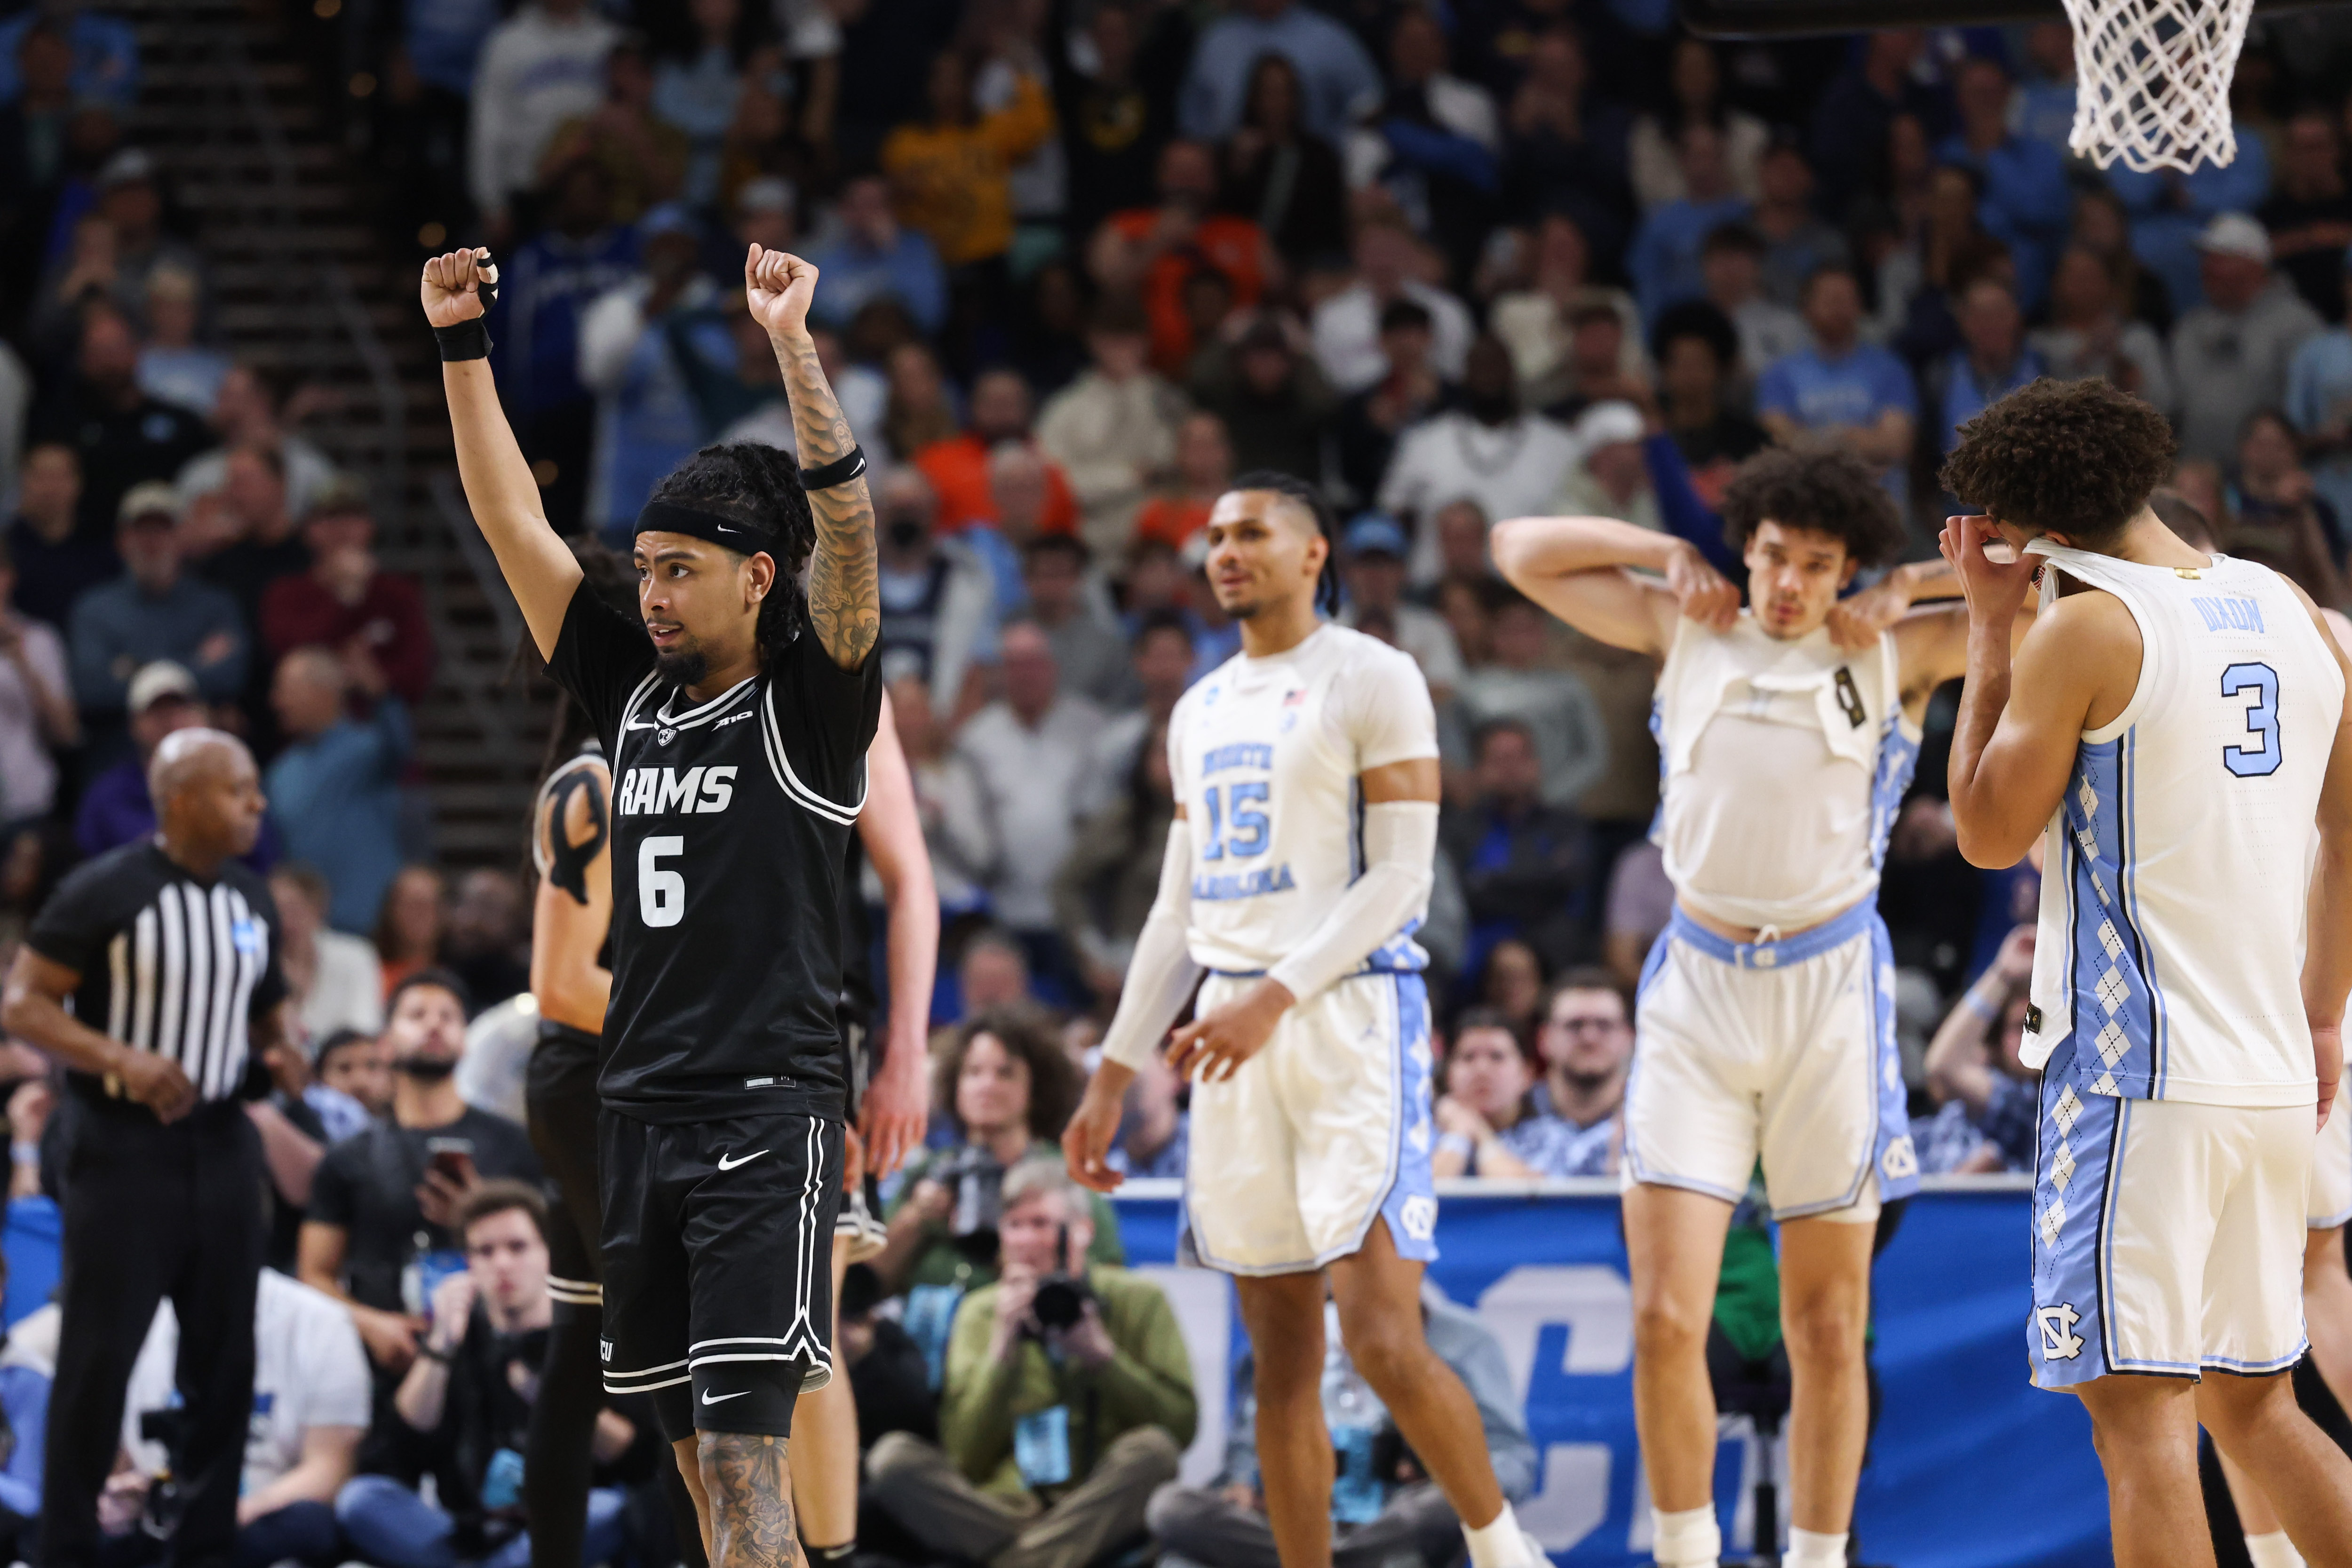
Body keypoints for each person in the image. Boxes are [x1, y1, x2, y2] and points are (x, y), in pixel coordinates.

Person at [421, 239, 882, 1557]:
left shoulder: (817, 701)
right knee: (703, 1482)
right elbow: (512, 523)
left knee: (745, 1475)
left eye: (679, 568)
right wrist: (461, 349)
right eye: (644, 567)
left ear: (756, 574)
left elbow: (846, 522)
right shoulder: (630, 684)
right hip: (636, 1112)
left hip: (761, 1112)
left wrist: (793, 346)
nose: (652, 593)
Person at [1490, 440, 2011, 1568]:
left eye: (1815, 565)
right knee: (1663, 1316)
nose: (1785, 583)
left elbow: (2032, 571)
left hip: (1830, 998)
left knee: (1826, 1326)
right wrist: (1660, 549)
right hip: (1697, 992)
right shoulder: (1687, 624)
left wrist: (1907, 583)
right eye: (1772, 555)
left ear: (1843, 572)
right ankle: (1688, 1557)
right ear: (1747, 548)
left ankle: (1818, 1562)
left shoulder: (1894, 647)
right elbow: (1514, 549)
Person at [1064, 471, 1551, 1568]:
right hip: (1231, 1038)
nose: (1225, 551)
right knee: (1275, 1368)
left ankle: (1501, 1550)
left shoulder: (1374, 676)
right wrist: (1109, 1070)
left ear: (1313, 553)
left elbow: (1401, 880)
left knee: (1381, 1340)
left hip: (1349, 1020)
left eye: (1251, 533)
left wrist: (1273, 998)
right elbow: (1173, 913)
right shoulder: (1197, 708)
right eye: (1214, 536)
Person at [1938, 375, 2352, 1567]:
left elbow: (1982, 830)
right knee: (2254, 1405)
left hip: (2136, 1084)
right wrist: (2322, 1017)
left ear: (2032, 535)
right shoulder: (2291, 608)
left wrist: (1986, 623)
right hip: (2274, 1073)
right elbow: (2348, 830)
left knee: (2138, 1420)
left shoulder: (2083, 630)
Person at [0, 728, 291, 1568]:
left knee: (226, 1363)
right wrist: (117, 1054)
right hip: (120, 1145)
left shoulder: (251, 897)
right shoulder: (103, 889)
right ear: (184, 798)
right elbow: (23, 1005)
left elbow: (268, 1007)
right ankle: (67, 1550)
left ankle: (202, 1550)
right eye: (240, 789)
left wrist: (288, 1044)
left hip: (226, 1142)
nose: (257, 804)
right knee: (99, 1360)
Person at [865, 1157, 1194, 1568]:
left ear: (1083, 1231)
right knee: (892, 1458)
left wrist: (1103, 1358)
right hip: (1001, 1509)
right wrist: (1002, 1351)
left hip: (1097, 1500)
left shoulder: (1137, 1298)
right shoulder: (981, 1312)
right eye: (1014, 1225)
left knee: (1154, 1451)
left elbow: (1180, 1428)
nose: (1025, 1239)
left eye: (1040, 1224)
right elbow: (964, 1455)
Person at [335, 1181, 640, 1568]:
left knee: (608, 1510)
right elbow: (400, 1454)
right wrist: (440, 1345)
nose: (501, 1264)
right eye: (485, 1251)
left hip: (563, 1526)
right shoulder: (458, 1337)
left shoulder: (591, 1332)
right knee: (361, 1499)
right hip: (469, 1534)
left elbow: (637, 1459)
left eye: (517, 1247)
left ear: (550, 1252)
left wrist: (554, 1397)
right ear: (468, 1262)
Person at [1149, 1275, 1534, 1568]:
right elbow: (1249, 1448)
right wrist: (1243, 1481)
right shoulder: (1285, 1340)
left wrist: (1445, 1466)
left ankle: (1325, 1559)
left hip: (1396, 1515)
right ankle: (1331, 1558)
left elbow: (1513, 1460)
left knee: (1446, 1502)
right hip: (1291, 1516)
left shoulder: (1463, 1341)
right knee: (1171, 1507)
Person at [297, 967, 541, 1374]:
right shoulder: (350, 1156)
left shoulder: (515, 1146)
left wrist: (474, 1218)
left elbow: (550, 1257)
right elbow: (314, 1273)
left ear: (466, 1040)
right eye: (417, 1015)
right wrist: (371, 1325)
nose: (434, 1024)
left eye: (448, 1016)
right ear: (387, 1043)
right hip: (387, 1355)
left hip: (494, 1358)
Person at [117, 1267, 369, 1568]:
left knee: (310, 1525)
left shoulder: (320, 1324)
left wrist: (238, 1513)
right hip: (163, 1520)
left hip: (265, 1518)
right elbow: (121, 1462)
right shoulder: (133, 1321)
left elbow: (330, 1471)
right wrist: (122, 1496)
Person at [877, 1013, 1122, 1304]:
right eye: (973, 1072)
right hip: (925, 1341)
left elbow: (1109, 1285)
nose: (987, 1085)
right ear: (955, 1084)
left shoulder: (1068, 1176)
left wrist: (1010, 1247)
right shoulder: (931, 1172)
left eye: (1006, 1073)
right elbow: (863, 1289)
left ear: (1037, 1088)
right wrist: (915, 1218)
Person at [956, 620, 1107, 987]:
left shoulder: (1092, 727)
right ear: (1001, 672)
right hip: (1005, 909)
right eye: (1015, 663)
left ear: (1053, 666)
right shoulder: (976, 738)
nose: (1026, 674)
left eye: (1035, 662)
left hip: (1077, 911)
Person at [68, 484, 246, 729]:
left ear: (182, 536)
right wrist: (195, 663)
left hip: (197, 741)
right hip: (118, 748)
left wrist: (133, 668)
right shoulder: (95, 609)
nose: (151, 542)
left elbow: (231, 678)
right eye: (141, 531)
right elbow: (92, 689)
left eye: (163, 530)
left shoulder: (215, 604)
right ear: (122, 540)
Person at [265, 647, 411, 937]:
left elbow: (402, 747)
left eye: (287, 690)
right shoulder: (280, 772)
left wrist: (380, 696)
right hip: (307, 930)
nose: (277, 701)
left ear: (323, 692)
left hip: (368, 925)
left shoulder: (368, 750)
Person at [2169, 213, 2325, 466]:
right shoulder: (2189, 327)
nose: (2207, 268)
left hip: (2268, 479)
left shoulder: (2298, 325)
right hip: (2200, 477)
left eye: (2219, 259)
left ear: (2253, 264)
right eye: (2206, 259)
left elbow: (2308, 412)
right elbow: (2171, 405)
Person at [1912, 926, 2039, 1175]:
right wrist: (2003, 974)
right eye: (2016, 1027)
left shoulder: (2029, 1107)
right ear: (1997, 1040)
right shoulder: (1951, 1116)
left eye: (2035, 1025)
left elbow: (1941, 1067)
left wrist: (2002, 974)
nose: (2028, 1036)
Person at [1430, 1009, 1584, 1179]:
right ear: (1448, 1075)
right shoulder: (1418, 1139)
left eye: (1497, 1057)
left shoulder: (1556, 1140)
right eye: (1468, 1057)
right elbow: (1418, 1198)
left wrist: (1481, 1134)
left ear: (1527, 1075)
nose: (1482, 1070)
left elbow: (1525, 1202)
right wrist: (1458, 1135)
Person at [0, 535, 76, 828]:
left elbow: (66, 734)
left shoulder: (40, 641)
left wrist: (22, 663)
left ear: (9, 577)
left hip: (29, 810)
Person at [268, 863, 384, 1050]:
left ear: (318, 908)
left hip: (346, 1065)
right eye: (275, 910)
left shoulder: (356, 955)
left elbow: (365, 1026)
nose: (285, 920)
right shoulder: (259, 961)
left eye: (293, 908)